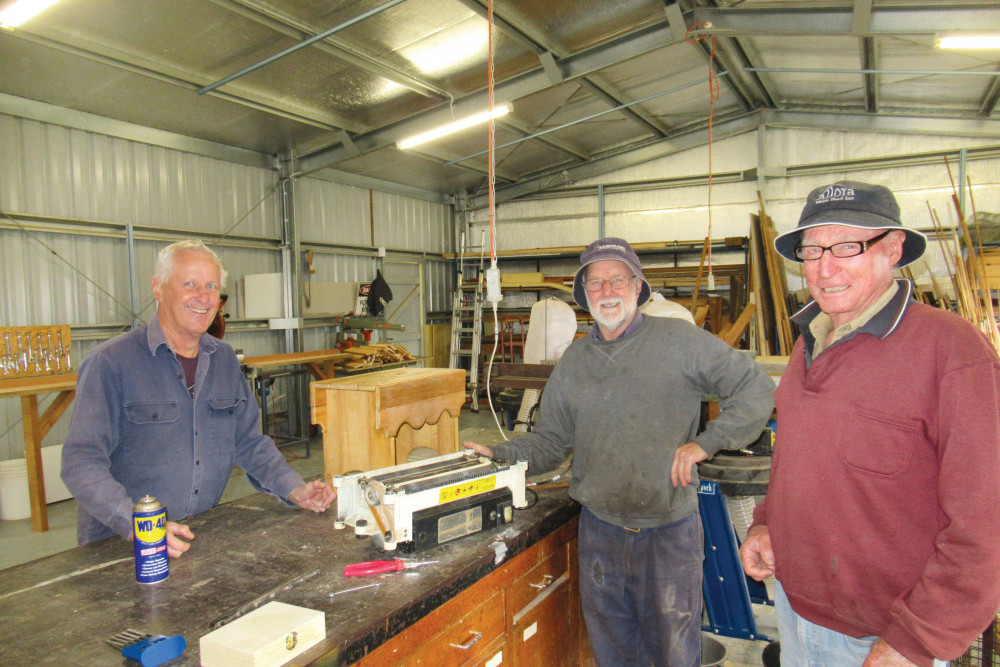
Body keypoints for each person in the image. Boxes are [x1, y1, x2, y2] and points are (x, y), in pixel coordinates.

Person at [464, 237, 775, 666]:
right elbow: (550, 442)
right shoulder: (575, 361)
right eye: (596, 283)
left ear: (637, 286)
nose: (607, 292)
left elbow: (756, 387)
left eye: (617, 280)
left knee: (673, 657)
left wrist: (708, 442)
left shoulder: (679, 342)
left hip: (668, 537)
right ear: (584, 295)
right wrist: (498, 457)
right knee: (612, 656)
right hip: (600, 535)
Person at [739, 181, 1000, 667]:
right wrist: (767, 525)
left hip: (885, 639)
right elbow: (796, 461)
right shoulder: (807, 342)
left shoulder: (953, 352)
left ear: (894, 248)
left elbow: (986, 521)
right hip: (797, 612)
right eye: (812, 249)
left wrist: (917, 641)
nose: (824, 267)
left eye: (847, 246)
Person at [62, 240, 335, 557]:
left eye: (211, 286)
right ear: (158, 288)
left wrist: (294, 488)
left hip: (196, 538)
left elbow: (247, 440)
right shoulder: (111, 363)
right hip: (121, 547)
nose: (203, 297)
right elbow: (81, 463)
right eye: (189, 284)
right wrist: (140, 525)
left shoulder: (224, 359)